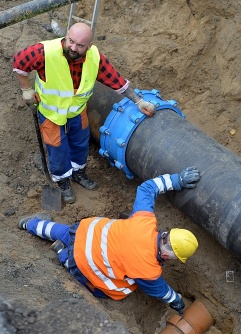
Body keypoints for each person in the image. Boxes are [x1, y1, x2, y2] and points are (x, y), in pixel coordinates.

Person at [17, 166, 201, 314]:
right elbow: (160, 291)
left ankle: (30, 224)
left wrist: (178, 180)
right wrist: (176, 301)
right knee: (114, 291)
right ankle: (62, 254)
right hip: (81, 259)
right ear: (169, 255)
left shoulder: (145, 221)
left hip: (84, 231)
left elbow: (148, 188)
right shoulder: (147, 270)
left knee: (61, 231)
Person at [12, 22, 156, 204]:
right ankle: (63, 180)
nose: (73, 47)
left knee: (80, 143)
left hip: (77, 111)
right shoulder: (45, 52)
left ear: (89, 45)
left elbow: (116, 81)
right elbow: (19, 63)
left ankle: (78, 173)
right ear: (66, 36)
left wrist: (139, 101)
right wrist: (26, 89)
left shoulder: (94, 57)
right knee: (57, 149)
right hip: (51, 113)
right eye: (70, 41)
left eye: (80, 45)